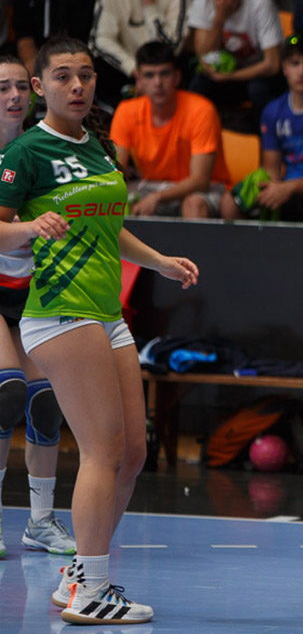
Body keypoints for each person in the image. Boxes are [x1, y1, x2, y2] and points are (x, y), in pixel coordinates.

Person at [0, 35, 197, 625]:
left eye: (85, 75)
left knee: (133, 453)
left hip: (106, 312)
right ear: (41, 87)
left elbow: (108, 224)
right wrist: (30, 228)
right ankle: (91, 589)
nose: (77, 86)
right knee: (102, 450)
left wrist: (158, 261)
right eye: (63, 76)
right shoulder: (26, 153)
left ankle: (77, 577)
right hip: (59, 310)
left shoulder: (98, 146)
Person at [0, 55, 76, 561]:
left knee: (46, 400)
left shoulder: (45, 149)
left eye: (19, 87)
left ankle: (41, 522)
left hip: (33, 292)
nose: (13, 96)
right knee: (6, 392)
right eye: (1, 87)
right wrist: (28, 228)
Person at [222, 35, 303, 224]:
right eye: (295, 63)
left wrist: (290, 187)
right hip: (286, 188)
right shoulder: (272, 111)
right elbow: (271, 168)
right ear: (284, 68)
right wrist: (273, 189)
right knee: (229, 203)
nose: (302, 72)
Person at [110, 42, 230, 219]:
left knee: (193, 204)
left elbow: (200, 180)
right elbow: (115, 171)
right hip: (151, 185)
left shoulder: (201, 109)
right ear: (139, 80)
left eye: (164, 74)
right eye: (149, 75)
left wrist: (157, 197)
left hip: (203, 189)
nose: (158, 83)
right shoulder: (126, 110)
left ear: (177, 77)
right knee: (114, 199)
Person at [188, 0, 284, 131]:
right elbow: (204, 56)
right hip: (225, 74)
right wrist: (219, 18)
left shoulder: (260, 2)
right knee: (198, 82)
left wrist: (230, 76)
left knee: (259, 88)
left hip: (258, 74)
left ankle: (265, 139)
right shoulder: (202, 1)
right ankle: (196, 136)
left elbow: (272, 64)